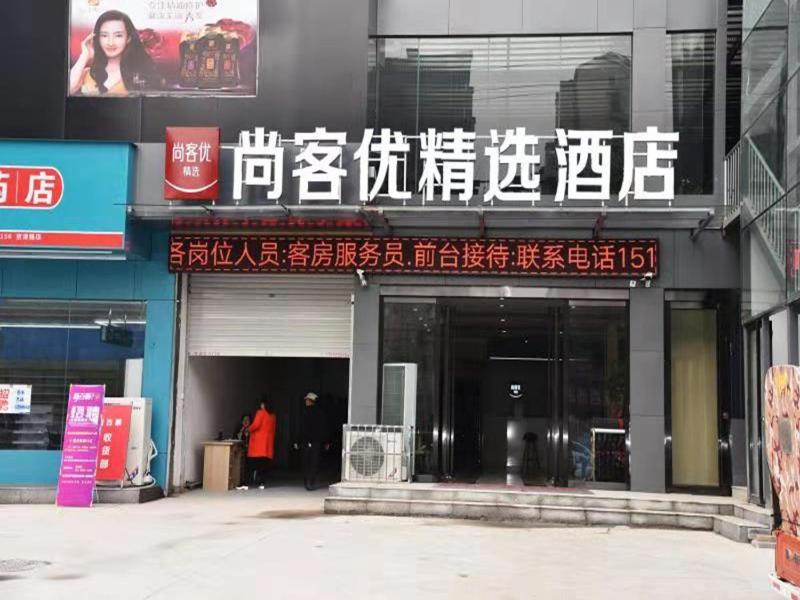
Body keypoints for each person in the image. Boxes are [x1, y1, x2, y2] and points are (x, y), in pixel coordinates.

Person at [69, 10, 161, 96]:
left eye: (118, 35)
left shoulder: (140, 74)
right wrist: (84, 56)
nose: (110, 42)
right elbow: (67, 89)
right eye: (104, 35)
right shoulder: (87, 73)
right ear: (97, 38)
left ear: (128, 38)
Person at [294, 392, 330, 491]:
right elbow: (324, 428)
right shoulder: (321, 413)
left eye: (307, 400)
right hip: (316, 442)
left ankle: (307, 482)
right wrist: (326, 441)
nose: (306, 402)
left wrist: (296, 441)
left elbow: (300, 428)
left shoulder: (304, 412)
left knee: (306, 462)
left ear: (311, 401)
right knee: (314, 462)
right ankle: (311, 482)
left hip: (306, 441)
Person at [245, 400, 276, 490]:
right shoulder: (273, 416)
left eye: (262, 404)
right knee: (263, 466)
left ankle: (246, 483)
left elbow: (256, 425)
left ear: (264, 405)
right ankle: (262, 483)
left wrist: (248, 429)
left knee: (251, 465)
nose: (261, 406)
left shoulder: (261, 412)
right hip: (267, 446)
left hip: (258, 445)